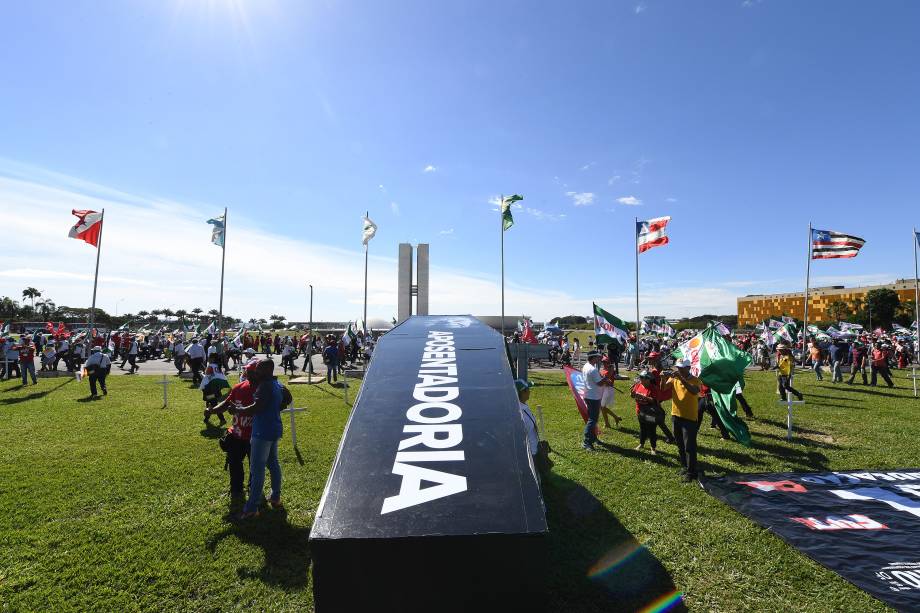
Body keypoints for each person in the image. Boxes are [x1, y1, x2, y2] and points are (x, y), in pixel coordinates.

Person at [232, 359, 293, 519]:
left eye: (258, 370)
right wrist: (276, 407)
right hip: (274, 428)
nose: (255, 372)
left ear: (266, 371)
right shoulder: (277, 384)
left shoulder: (264, 386)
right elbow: (288, 398)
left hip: (262, 432)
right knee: (273, 463)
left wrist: (237, 409)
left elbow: (256, 408)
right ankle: (275, 497)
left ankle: (252, 508)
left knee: (257, 470)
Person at [207, 360, 258, 502]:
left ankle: (254, 489)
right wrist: (212, 410)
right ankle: (236, 490)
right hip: (236, 434)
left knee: (255, 466)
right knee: (234, 463)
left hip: (255, 436)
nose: (246, 372)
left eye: (250, 370)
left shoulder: (264, 390)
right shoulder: (239, 387)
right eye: (247, 370)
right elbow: (227, 403)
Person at [660, 358, 702, 482]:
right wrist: (663, 378)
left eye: (682, 368)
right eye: (678, 367)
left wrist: (681, 378)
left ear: (688, 368)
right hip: (676, 415)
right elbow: (663, 388)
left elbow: (694, 391)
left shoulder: (695, 380)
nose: (679, 370)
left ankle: (691, 472)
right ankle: (684, 466)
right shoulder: (674, 378)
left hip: (689, 418)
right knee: (680, 445)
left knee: (689, 446)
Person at [516, 378, 549, 476]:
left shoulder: (523, 406)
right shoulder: (520, 412)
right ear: (522, 393)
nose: (529, 391)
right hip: (529, 452)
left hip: (534, 447)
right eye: (527, 389)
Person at [581, 350, 610, 451]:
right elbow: (599, 383)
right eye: (598, 357)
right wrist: (606, 379)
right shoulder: (592, 369)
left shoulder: (586, 366)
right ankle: (586, 442)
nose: (600, 359)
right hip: (593, 397)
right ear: (593, 358)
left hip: (589, 395)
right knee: (592, 420)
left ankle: (593, 438)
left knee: (593, 419)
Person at [631, 371, 660, 454]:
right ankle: (641, 443)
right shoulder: (638, 385)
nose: (640, 379)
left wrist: (643, 397)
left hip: (650, 413)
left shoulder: (653, 388)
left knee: (651, 429)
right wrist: (632, 394)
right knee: (642, 428)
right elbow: (633, 395)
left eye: (642, 378)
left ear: (648, 379)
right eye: (640, 377)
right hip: (640, 411)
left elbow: (655, 401)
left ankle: (653, 447)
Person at [599, 357, 622, 428]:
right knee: (602, 407)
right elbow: (602, 379)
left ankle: (614, 418)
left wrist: (605, 380)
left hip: (608, 389)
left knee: (602, 407)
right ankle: (608, 423)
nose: (604, 363)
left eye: (606, 362)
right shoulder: (603, 369)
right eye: (603, 362)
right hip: (603, 388)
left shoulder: (611, 369)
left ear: (609, 362)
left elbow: (608, 379)